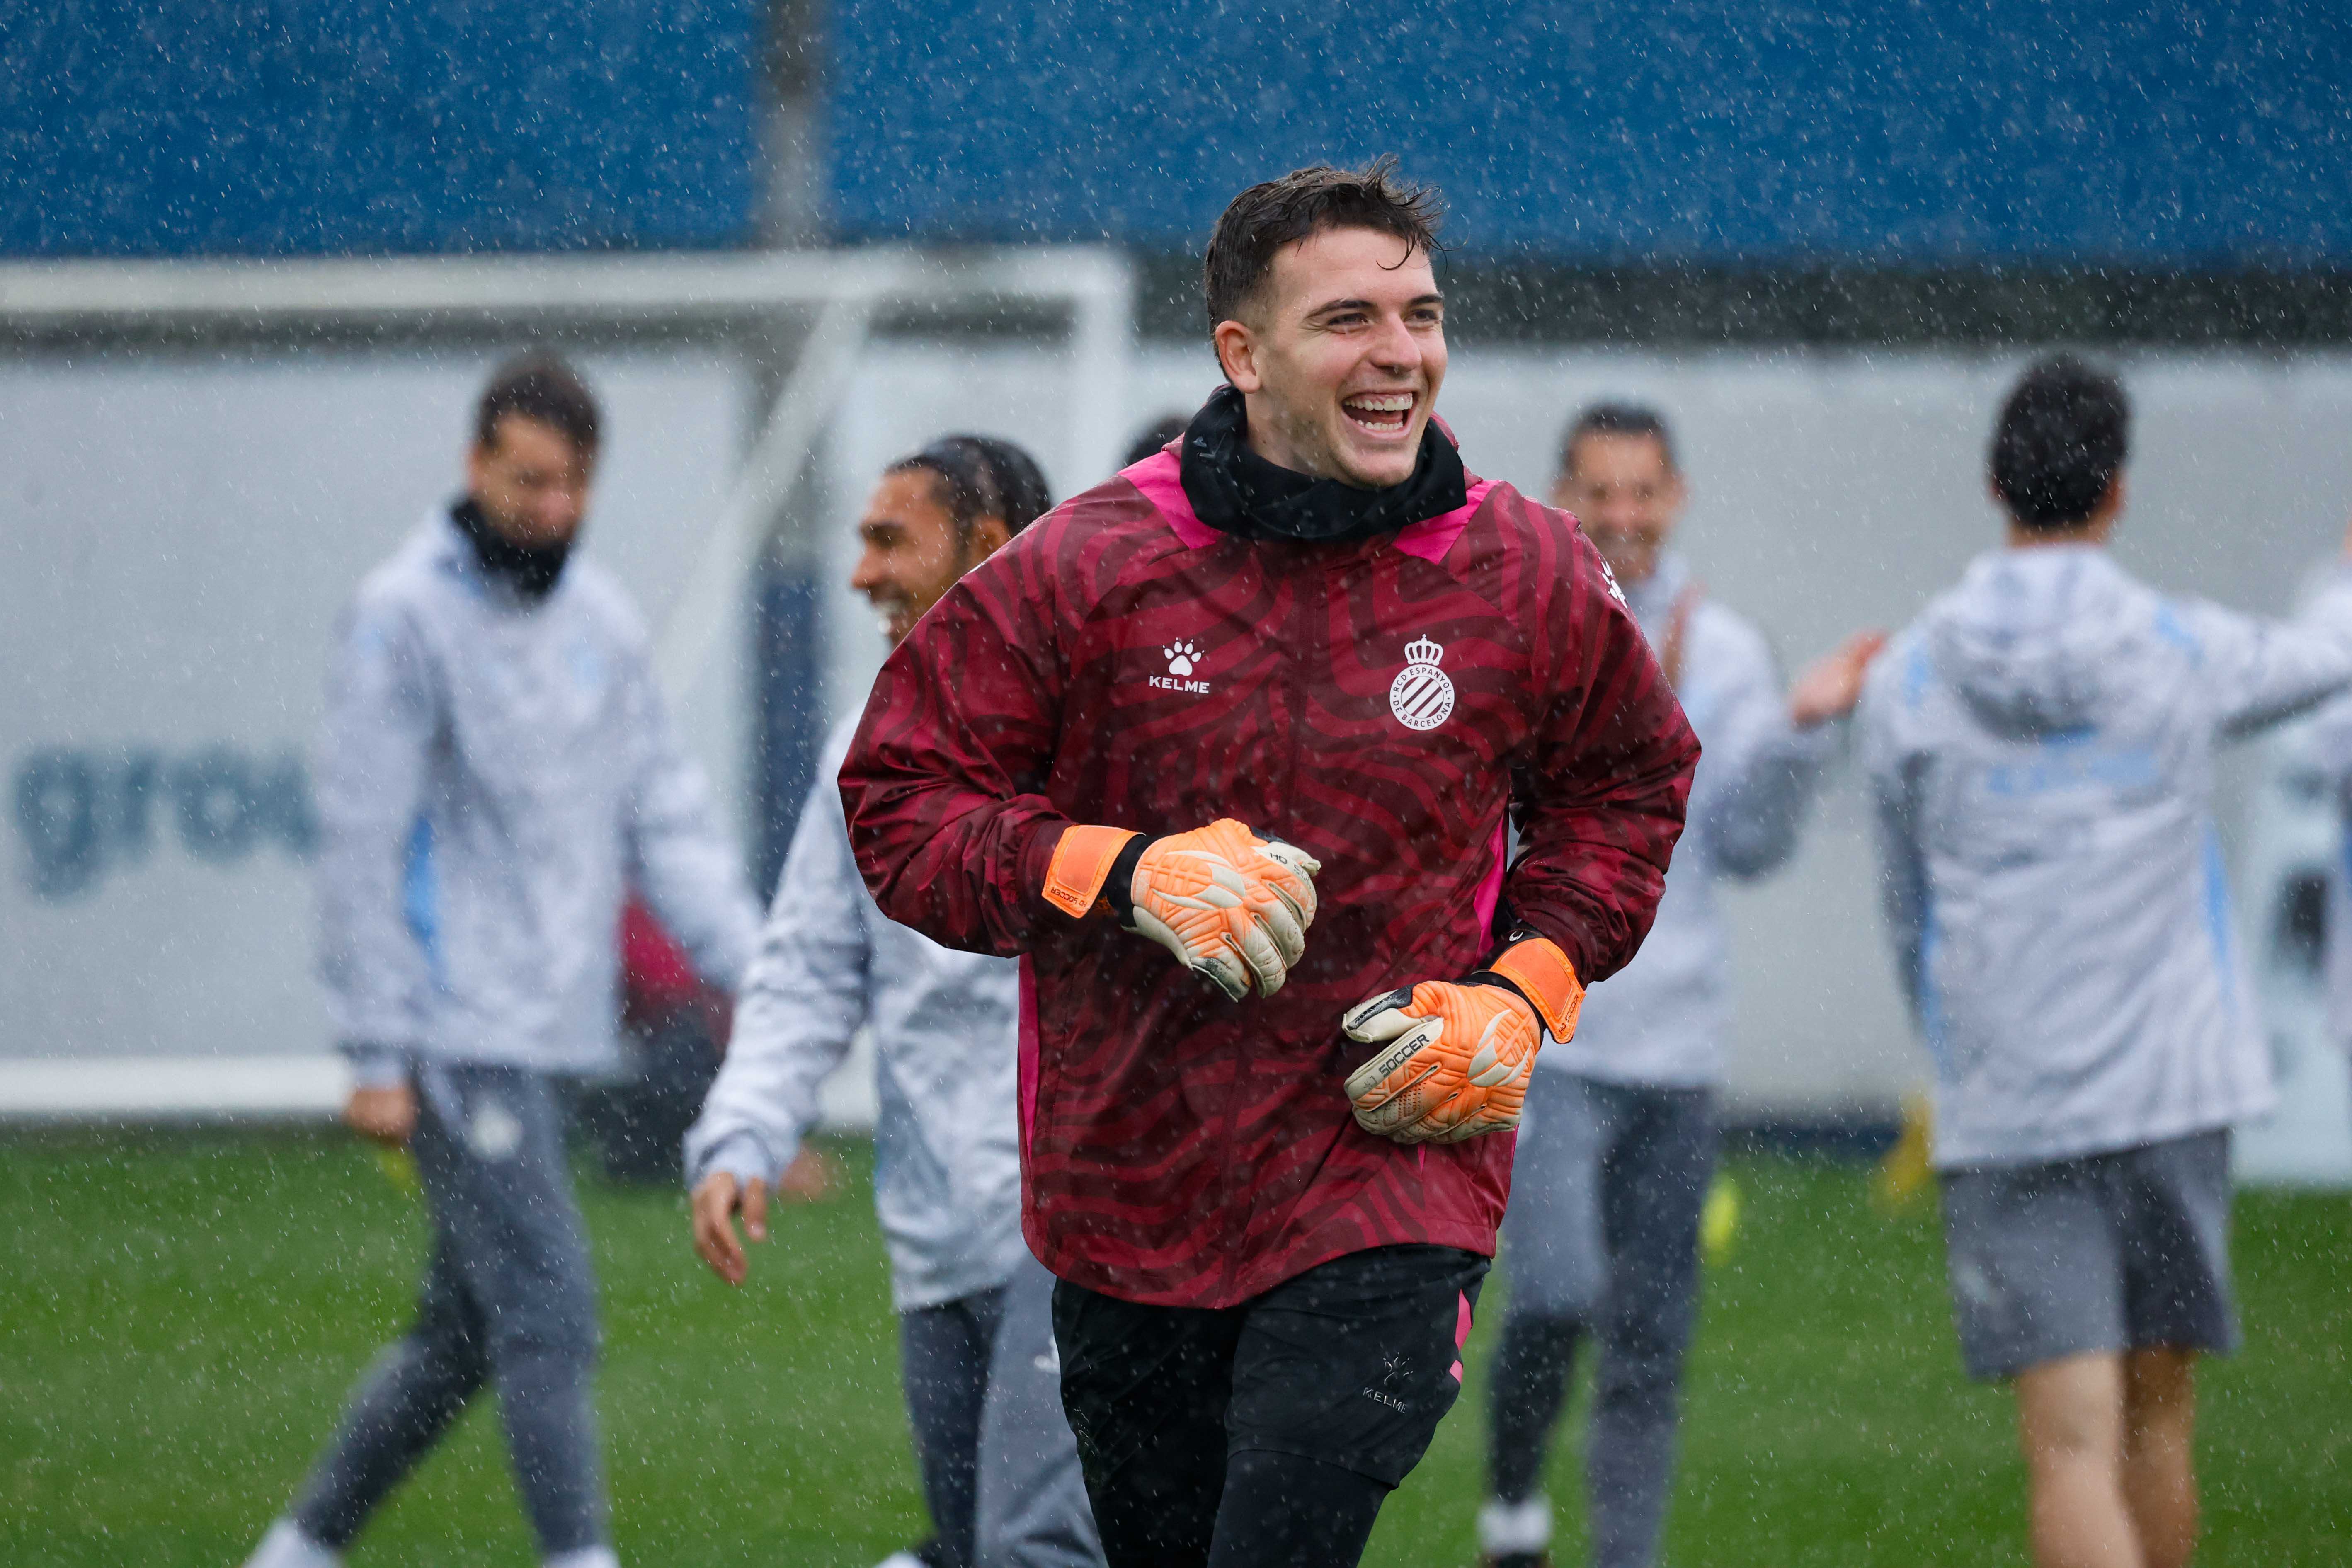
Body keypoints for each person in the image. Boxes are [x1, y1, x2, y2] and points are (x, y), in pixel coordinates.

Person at [837, 160, 1702, 1568]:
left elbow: (1631, 790)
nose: (1399, 355)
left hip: (1389, 1179)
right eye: (1348, 320)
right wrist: (1118, 874)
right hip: (1131, 1203)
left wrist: (1521, 990)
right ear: (1242, 355)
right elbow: (900, 799)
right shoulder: (1091, 566)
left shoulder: (1524, 571)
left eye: (1418, 316)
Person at [242, 353, 761, 1568]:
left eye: (572, 483)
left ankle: (299, 1549)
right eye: (528, 481)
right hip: (451, 1030)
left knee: (461, 1335)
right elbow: (363, 845)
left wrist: (756, 971)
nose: (552, 509)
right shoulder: (401, 616)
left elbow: (665, 819)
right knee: (549, 1311)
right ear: (476, 467)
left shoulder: (601, 622)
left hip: (550, 1029)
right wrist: (376, 1046)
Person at [1859, 355, 2352, 1568]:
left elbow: (1900, 897)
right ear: (2118, 491)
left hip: (2013, 1090)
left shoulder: (1911, 674)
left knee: (2066, 1451)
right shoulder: (2180, 646)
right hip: (2172, 1087)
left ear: (1992, 483)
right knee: (2157, 1423)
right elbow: (2323, 658)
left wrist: (1955, 1035)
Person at [1477, 405, 1884, 1568]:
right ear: (1563, 495)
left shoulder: (1729, 655)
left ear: (1675, 498)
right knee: (1554, 1295)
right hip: (1550, 1037)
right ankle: (1511, 1503)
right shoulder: (1517, 627)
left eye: (1641, 493)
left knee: (1650, 1343)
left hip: (1680, 1050)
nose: (1621, 516)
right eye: (1598, 493)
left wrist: (1805, 737)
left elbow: (1748, 848)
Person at [687, 436, 1101, 1568]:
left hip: (1078, 1223)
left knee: (1036, 1549)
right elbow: (813, 967)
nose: (860, 572)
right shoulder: (861, 754)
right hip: (935, 1234)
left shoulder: (1108, 733)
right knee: (977, 1548)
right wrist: (745, 1133)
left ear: (984, 550)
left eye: (887, 540)